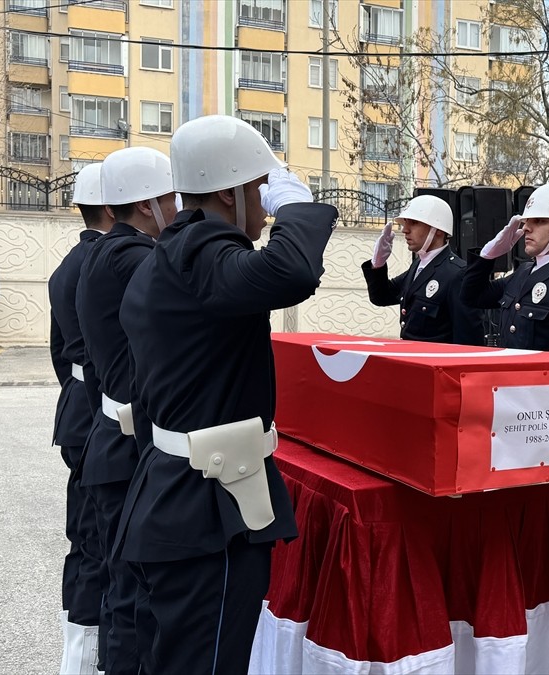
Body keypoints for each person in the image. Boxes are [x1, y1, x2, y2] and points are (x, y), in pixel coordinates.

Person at [114, 115, 336, 675]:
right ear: (229, 190)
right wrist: (298, 211)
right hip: (206, 508)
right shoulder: (202, 249)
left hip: (171, 493)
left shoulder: (169, 254)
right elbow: (289, 271)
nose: (264, 207)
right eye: (261, 189)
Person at [76, 146, 177, 675]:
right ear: (145, 206)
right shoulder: (131, 257)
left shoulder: (105, 252)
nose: (180, 210)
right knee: (135, 593)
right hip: (125, 448)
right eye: (172, 199)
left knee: (125, 586)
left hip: (112, 443)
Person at [46, 163, 111, 675]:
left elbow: (57, 354)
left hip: (76, 411)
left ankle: (79, 649)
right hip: (103, 417)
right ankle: (87, 656)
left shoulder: (68, 264)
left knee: (84, 536)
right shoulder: (110, 263)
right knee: (99, 541)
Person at [459, 183, 549, 354]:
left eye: (539, 221)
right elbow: (471, 297)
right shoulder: (523, 272)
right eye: (526, 221)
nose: (526, 228)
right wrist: (487, 256)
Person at [360, 195, 484, 345]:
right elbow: (382, 297)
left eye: (413, 223)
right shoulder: (418, 266)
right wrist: (377, 264)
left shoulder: (458, 274)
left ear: (437, 230)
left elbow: (469, 341)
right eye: (405, 223)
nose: (405, 230)